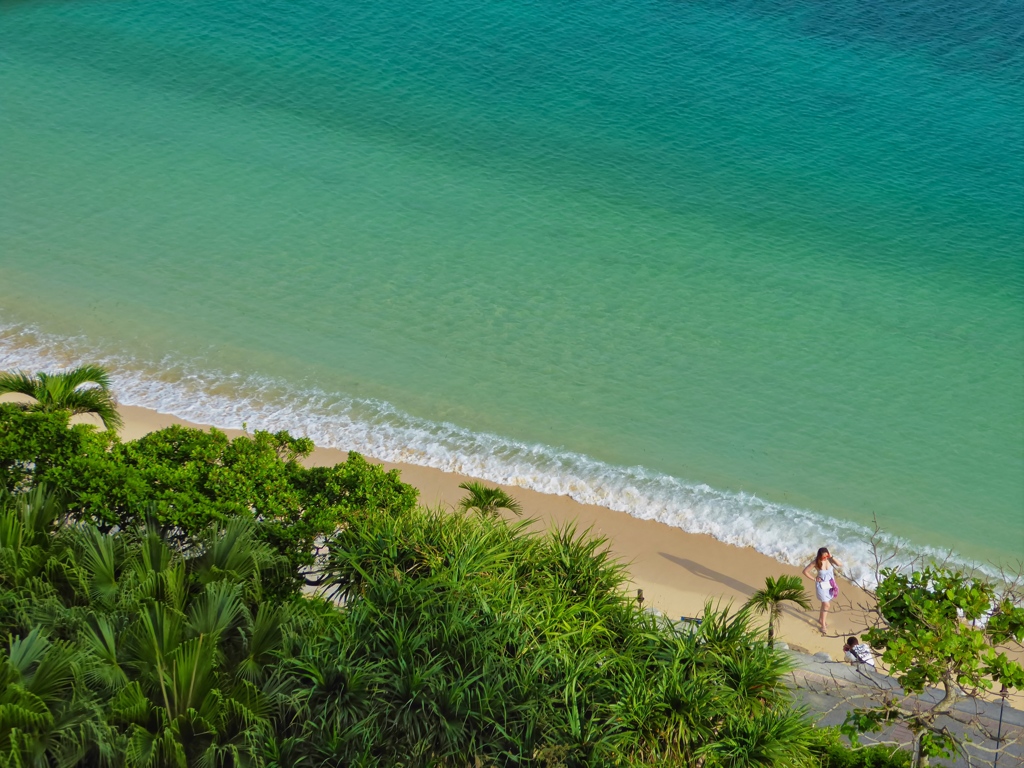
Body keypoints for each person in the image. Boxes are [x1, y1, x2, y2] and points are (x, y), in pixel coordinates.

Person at [802, 547, 843, 634]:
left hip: (830, 585)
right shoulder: (816, 562)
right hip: (821, 586)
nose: (825, 558)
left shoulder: (829, 559)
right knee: (827, 605)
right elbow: (805, 571)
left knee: (824, 605)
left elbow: (840, 564)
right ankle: (823, 625)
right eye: (823, 556)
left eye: (826, 556)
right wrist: (814, 579)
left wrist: (831, 556)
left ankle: (821, 619)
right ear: (819, 556)